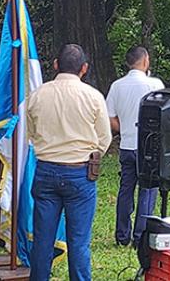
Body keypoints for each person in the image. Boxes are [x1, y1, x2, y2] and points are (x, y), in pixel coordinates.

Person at [26, 44, 112, 281]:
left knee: (43, 240)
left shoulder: (37, 95)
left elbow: (30, 135)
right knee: (79, 242)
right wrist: (89, 156)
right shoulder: (93, 96)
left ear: (55, 65)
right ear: (84, 68)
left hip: (45, 171)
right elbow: (104, 138)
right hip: (80, 173)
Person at [106, 46, 165, 247]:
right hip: (148, 146)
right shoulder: (154, 84)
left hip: (127, 144)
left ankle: (122, 235)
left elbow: (110, 117)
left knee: (125, 190)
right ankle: (140, 236)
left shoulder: (117, 85)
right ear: (145, 60)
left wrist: (124, 131)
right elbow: (163, 113)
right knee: (148, 190)